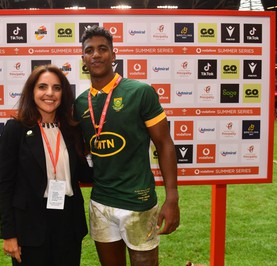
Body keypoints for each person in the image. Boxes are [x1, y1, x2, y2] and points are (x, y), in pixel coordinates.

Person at [74, 26, 180, 266]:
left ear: (114, 55)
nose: (96, 55)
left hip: (138, 202)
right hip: (100, 202)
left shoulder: (140, 92)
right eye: (89, 50)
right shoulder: (80, 103)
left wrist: (172, 197)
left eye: (103, 49)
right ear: (83, 59)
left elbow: (164, 144)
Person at [0, 64, 91, 266]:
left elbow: (84, 173)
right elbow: (5, 185)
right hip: (29, 227)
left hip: (69, 223)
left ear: (63, 93)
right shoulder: (15, 129)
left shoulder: (71, 129)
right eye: (42, 87)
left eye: (56, 88)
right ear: (31, 92)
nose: (50, 93)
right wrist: (9, 235)